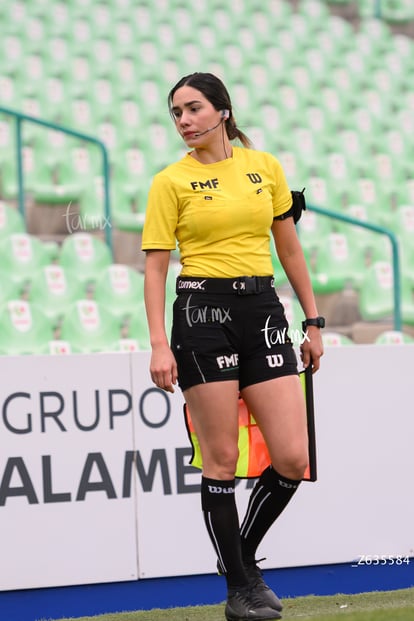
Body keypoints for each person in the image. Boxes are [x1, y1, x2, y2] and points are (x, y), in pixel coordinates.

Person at [141, 72, 324, 621]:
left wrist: (312, 321)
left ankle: (239, 557)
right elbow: (153, 269)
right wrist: (158, 344)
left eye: (193, 108)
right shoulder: (168, 182)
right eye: (175, 113)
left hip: (263, 310)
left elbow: (288, 248)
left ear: (223, 110)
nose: (184, 121)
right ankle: (240, 590)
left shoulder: (264, 167)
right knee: (221, 461)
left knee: (293, 457)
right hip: (201, 314)